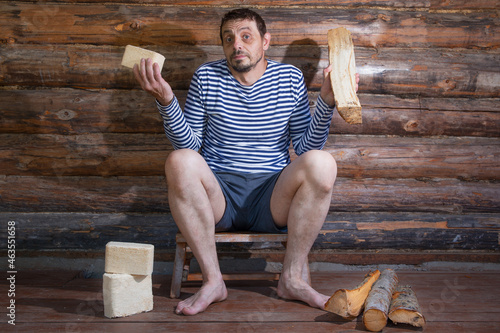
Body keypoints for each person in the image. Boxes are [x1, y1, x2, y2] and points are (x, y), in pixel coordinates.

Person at [133, 8, 359, 316]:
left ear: (265, 42)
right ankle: (213, 282)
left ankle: (291, 279)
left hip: (271, 196)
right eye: (229, 38)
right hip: (219, 195)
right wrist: (166, 100)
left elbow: (307, 147)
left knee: (322, 163)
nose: (236, 44)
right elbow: (190, 146)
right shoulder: (207, 76)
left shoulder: (289, 78)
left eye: (246, 36)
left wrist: (326, 102)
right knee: (179, 161)